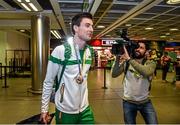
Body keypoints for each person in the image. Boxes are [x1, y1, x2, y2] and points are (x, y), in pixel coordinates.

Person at [40, 12, 95, 124]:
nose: (92, 29)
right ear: (76, 28)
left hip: (85, 109)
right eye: (87, 25)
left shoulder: (89, 51)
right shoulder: (60, 51)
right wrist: (44, 109)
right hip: (65, 111)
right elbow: (48, 82)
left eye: (92, 26)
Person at [111, 42, 158, 124]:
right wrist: (117, 57)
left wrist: (129, 59)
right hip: (128, 102)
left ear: (146, 51)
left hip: (145, 102)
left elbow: (146, 72)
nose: (138, 49)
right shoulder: (127, 63)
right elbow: (114, 74)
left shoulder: (150, 63)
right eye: (136, 47)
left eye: (141, 48)